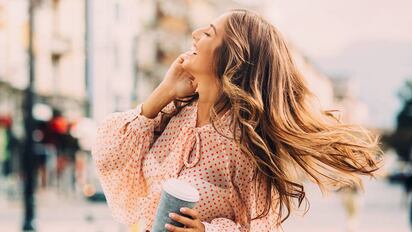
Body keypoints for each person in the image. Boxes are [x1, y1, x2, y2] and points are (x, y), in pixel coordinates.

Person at [92, 9, 381, 232]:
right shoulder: (173, 114)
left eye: (209, 34)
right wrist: (164, 92)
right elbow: (109, 154)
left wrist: (205, 230)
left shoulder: (246, 142)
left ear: (231, 58)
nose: (194, 34)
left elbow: (260, 226)